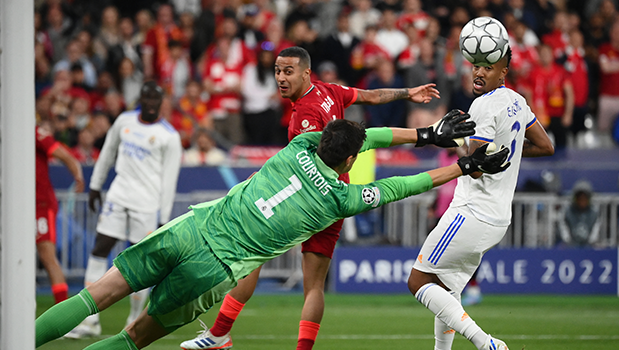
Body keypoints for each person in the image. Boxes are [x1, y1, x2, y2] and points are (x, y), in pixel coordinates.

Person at [35, 115, 512, 350]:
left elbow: (369, 134)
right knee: (135, 337)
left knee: (97, 294)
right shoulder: (338, 199)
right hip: (213, 268)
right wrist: (461, 164)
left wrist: (427, 132)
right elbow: (401, 185)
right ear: (350, 161)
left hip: (188, 229)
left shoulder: (301, 143)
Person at [180, 45, 445, 350]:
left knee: (252, 257)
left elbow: (304, 166)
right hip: (336, 200)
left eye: (288, 71)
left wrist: (264, 180)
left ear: (306, 73)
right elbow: (370, 96)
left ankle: (219, 335)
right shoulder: (330, 90)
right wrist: (407, 92)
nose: (281, 77)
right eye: (278, 71)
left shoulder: (304, 116)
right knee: (314, 286)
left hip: (307, 201)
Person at [407, 46, 555, 350]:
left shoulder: (483, 106)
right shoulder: (517, 100)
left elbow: (473, 170)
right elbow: (545, 146)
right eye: (476, 65)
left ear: (504, 72)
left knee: (419, 281)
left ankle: (486, 343)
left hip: (471, 211)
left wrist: (458, 141)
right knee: (447, 288)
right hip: (497, 217)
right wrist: (509, 150)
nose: (479, 72)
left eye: (488, 67)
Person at [64, 82, 182, 338]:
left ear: (161, 102)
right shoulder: (124, 121)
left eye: (156, 99)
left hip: (146, 204)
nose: (150, 103)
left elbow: (169, 180)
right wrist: (95, 185)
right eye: (147, 97)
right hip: (118, 196)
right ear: (140, 98)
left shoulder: (169, 136)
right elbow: (107, 153)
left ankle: (133, 321)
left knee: (141, 263)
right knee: (100, 248)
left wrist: (163, 218)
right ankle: (89, 320)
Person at [36, 123, 85, 304]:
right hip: (16, 205)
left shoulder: (34, 133)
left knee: (47, 257)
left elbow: (64, 155)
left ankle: (61, 311)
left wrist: (77, 175)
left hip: (39, 204)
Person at [557, 179, 601, 247]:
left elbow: (595, 230)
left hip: (588, 246)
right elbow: (563, 227)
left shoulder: (594, 212)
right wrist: (568, 241)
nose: (582, 201)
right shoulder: (567, 211)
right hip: (570, 246)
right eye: (580, 198)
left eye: (584, 198)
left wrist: (591, 242)